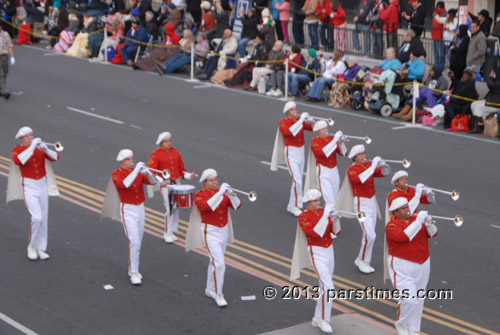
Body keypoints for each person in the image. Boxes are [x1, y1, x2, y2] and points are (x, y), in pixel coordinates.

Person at [185, 168, 241, 307]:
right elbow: (206, 207)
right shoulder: (200, 194)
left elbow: (237, 206)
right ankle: (218, 293)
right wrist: (221, 192)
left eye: (216, 179)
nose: (215, 182)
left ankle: (209, 288)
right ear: (204, 182)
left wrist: (232, 194)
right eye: (211, 180)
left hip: (223, 230)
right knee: (220, 264)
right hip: (210, 232)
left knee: (214, 262)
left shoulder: (221, 192)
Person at [290, 189, 341, 334]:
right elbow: (314, 233)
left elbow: (336, 232)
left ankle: (317, 317)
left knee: (324, 286)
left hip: (329, 250)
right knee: (329, 287)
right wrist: (325, 215)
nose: (318, 203)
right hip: (316, 252)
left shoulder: (323, 212)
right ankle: (325, 319)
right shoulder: (304, 216)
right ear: (308, 202)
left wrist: (336, 219)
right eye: (315, 201)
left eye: (319, 200)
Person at [104, 149, 158, 285]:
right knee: (134, 241)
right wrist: (136, 171)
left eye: (131, 158)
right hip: (128, 209)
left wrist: (148, 172)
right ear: (122, 161)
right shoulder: (117, 174)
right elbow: (124, 184)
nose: (131, 161)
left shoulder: (138, 172)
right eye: (128, 159)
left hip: (140, 208)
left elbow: (152, 182)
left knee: (138, 241)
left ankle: (133, 269)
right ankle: (133, 272)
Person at [386, 197, 438, 335]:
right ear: (395, 212)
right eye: (403, 208)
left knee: (419, 298)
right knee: (409, 299)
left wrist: (428, 224)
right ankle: (401, 323)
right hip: (402, 264)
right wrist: (419, 222)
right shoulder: (391, 225)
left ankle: (414, 329)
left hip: (423, 263)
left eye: (407, 207)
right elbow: (404, 236)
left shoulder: (416, 219)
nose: (407, 210)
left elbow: (433, 234)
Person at [336, 144, 390, 273]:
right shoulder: (352, 169)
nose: (364, 156)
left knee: (369, 234)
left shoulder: (367, 166)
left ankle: (362, 258)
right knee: (370, 235)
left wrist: (383, 165)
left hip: (371, 201)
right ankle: (363, 261)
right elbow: (360, 179)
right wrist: (373, 166)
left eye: (364, 153)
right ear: (354, 157)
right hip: (361, 203)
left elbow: (386, 173)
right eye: (360, 154)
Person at [8, 127, 60, 260]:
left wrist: (46, 149)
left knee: (44, 218)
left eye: (31, 135)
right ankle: (31, 246)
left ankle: (41, 248)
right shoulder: (18, 149)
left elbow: (56, 157)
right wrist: (32, 148)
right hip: (29, 187)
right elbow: (18, 160)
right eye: (27, 136)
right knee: (37, 217)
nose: (30, 138)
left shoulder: (39, 148)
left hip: (42, 186)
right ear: (21, 139)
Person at [147, 132, 195, 243]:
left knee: (176, 207)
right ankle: (166, 232)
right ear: (161, 143)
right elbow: (151, 171)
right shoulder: (156, 154)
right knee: (169, 208)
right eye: (166, 141)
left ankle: (172, 230)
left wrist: (188, 176)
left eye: (169, 140)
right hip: (166, 184)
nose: (169, 143)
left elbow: (181, 168)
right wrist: (160, 181)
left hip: (176, 183)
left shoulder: (175, 152)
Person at [271, 101, 314, 216]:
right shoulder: (283, 122)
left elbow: (311, 129)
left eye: (296, 108)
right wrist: (301, 120)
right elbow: (290, 133)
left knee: (297, 181)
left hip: (300, 151)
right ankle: (296, 206)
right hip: (291, 152)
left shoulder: (297, 120)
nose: (296, 111)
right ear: (287, 112)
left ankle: (291, 205)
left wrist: (310, 121)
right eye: (293, 109)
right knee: (298, 181)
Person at [304, 121, 347, 205]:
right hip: (323, 171)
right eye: (322, 129)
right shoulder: (314, 141)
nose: (325, 130)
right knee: (330, 201)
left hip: (334, 170)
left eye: (326, 128)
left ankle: (331, 217)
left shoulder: (331, 139)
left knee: (335, 199)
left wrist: (341, 143)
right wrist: (335, 140)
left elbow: (344, 153)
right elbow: (322, 153)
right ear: (317, 131)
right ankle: (330, 216)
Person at [470, 67, 500, 133]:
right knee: (474, 104)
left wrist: (491, 78)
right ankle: (477, 123)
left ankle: (478, 127)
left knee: (479, 108)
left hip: (496, 103)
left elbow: (492, 85)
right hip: (493, 99)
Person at [0, 22, 15, 100]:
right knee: (1, 74)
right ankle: (5, 91)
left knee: (5, 72)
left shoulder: (5, 35)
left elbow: (9, 46)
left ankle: (1, 89)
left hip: (5, 57)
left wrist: (12, 56)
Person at [431, 2, 446, 70]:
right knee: (436, 54)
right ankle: (437, 66)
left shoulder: (444, 14)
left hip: (440, 37)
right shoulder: (436, 14)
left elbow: (440, 21)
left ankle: (440, 66)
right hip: (435, 36)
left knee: (440, 54)